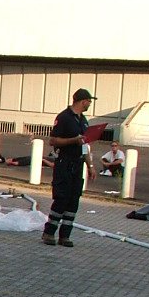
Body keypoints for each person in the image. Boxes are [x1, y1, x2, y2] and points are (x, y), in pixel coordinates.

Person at [41, 88, 97, 247]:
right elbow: (53, 141)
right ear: (82, 101)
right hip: (64, 163)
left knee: (73, 200)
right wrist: (73, 140)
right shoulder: (64, 117)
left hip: (78, 164)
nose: (89, 104)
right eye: (88, 101)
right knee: (61, 198)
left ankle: (65, 235)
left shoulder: (83, 120)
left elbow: (84, 144)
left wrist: (90, 165)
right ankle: (49, 232)